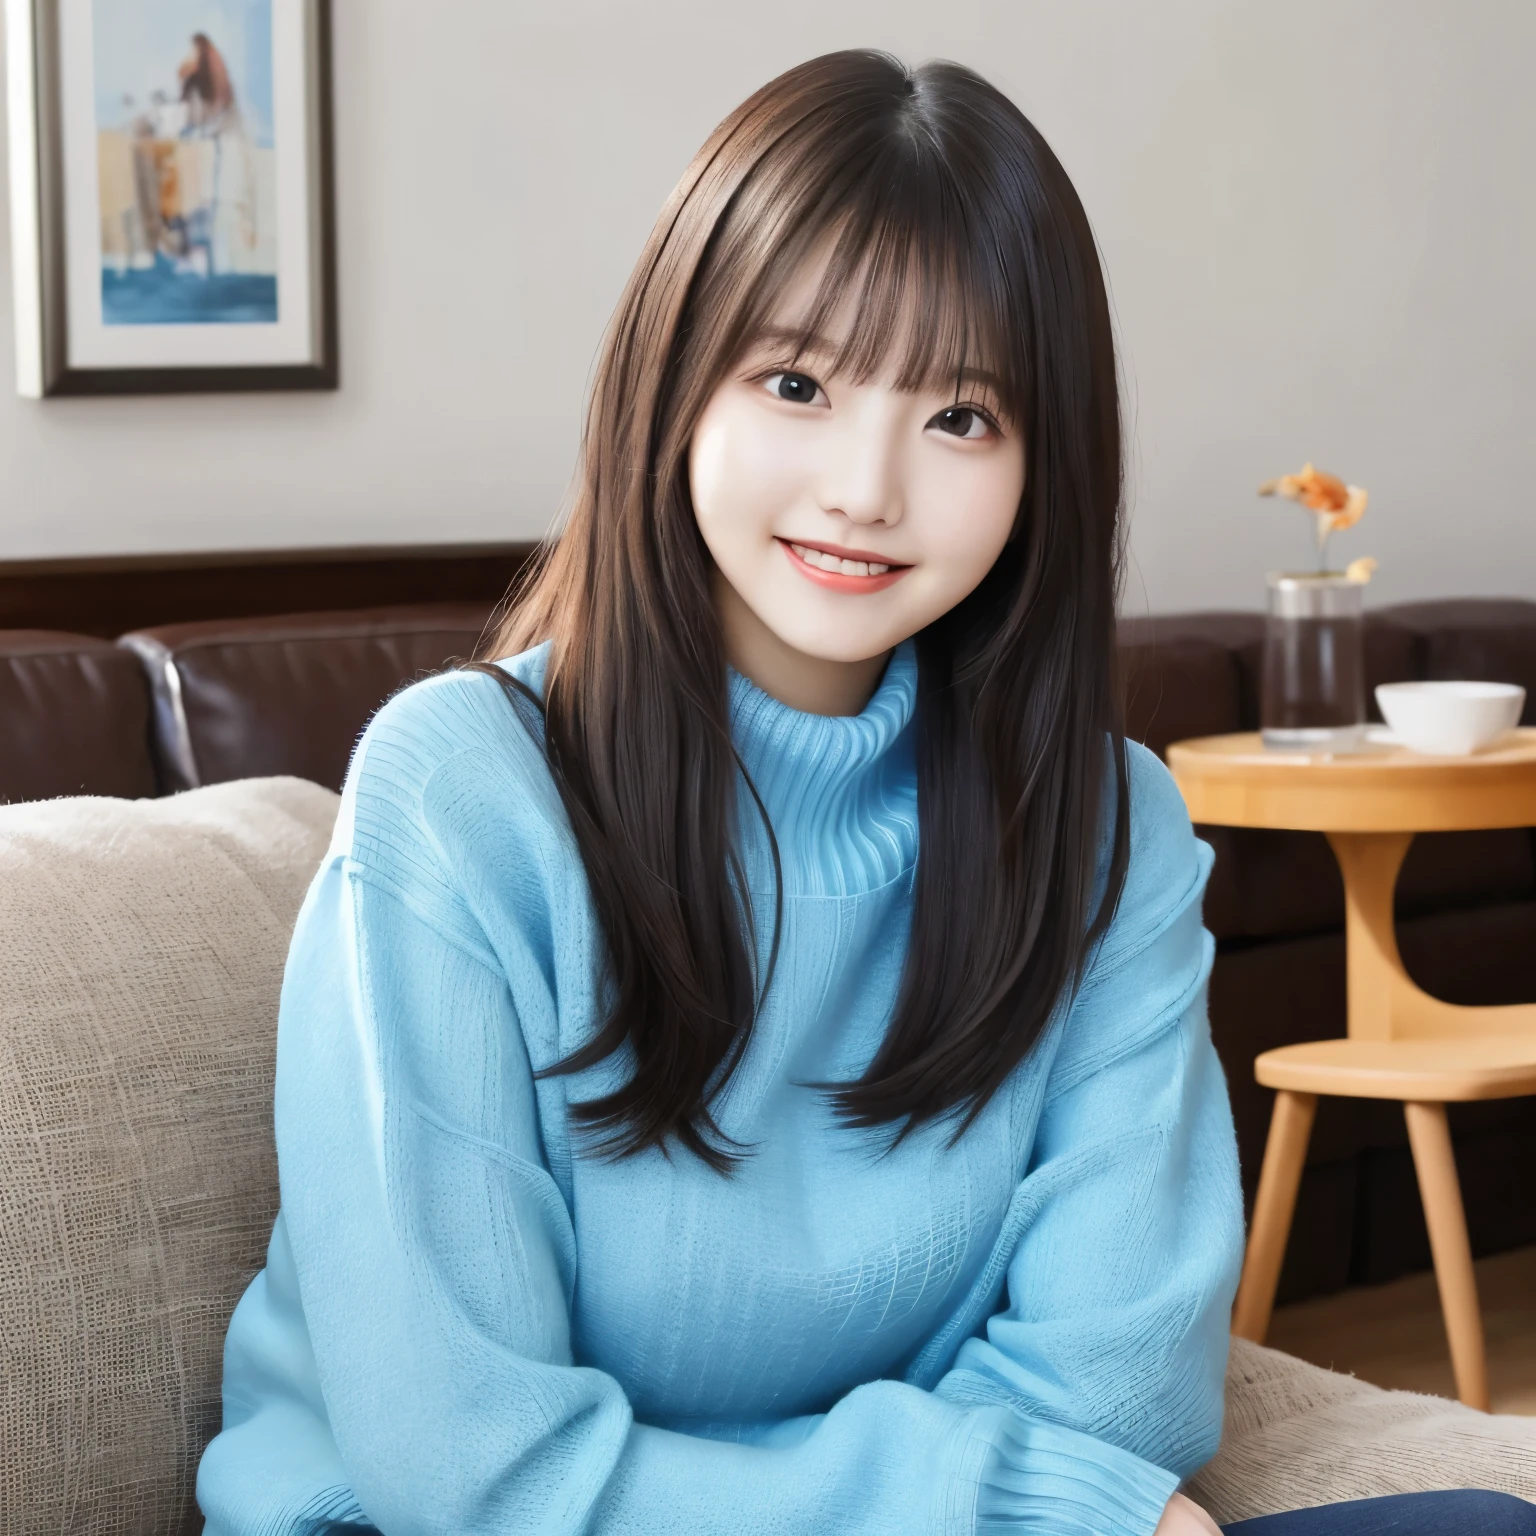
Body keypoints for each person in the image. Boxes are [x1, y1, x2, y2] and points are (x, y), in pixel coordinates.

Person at [195, 50, 1536, 1536]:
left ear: (1046, 464)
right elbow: (475, 1470)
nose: (865, 487)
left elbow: (1124, 1382)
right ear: (673, 388)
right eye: (796, 383)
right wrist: (1003, 1500)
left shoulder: (1108, 836)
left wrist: (1031, 1494)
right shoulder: (462, 799)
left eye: (961, 415)